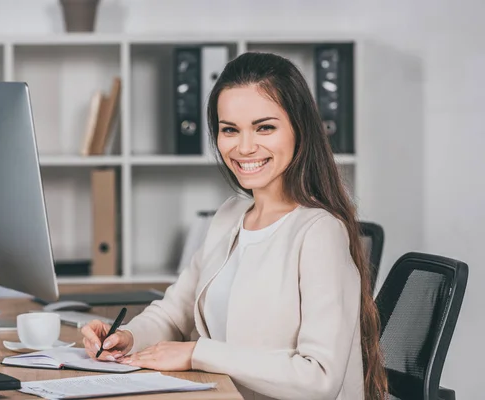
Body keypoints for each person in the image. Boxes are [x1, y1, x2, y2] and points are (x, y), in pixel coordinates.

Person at [81, 51, 387, 400]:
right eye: (230, 130)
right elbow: (173, 312)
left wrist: (197, 353)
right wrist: (128, 337)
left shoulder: (319, 232)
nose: (244, 147)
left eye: (265, 127)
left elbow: (318, 377)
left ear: (300, 130)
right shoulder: (229, 216)